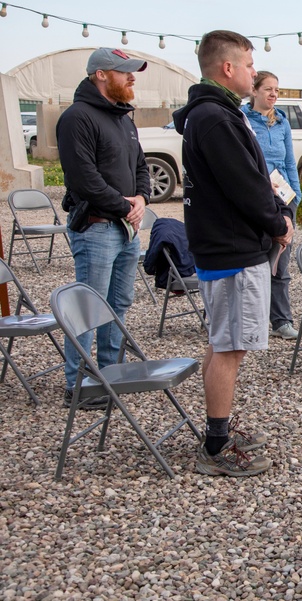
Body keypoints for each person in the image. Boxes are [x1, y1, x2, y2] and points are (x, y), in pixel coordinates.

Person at [173, 30, 294, 477]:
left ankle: (216, 428)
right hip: (232, 248)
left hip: (225, 246)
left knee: (222, 341)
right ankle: (216, 445)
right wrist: (277, 221)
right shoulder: (216, 118)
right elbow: (244, 184)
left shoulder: (215, 113)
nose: (253, 71)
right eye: (248, 64)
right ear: (227, 68)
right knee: (229, 347)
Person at [56, 47, 151, 410]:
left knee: (118, 304)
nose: (131, 78)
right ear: (100, 75)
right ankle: (78, 384)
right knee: (86, 309)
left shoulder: (124, 117)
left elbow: (140, 165)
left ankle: (110, 375)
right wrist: (125, 206)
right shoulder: (77, 117)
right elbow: (83, 180)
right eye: (124, 72)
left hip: (125, 228)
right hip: (96, 228)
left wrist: (141, 198)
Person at [242, 71, 302, 341]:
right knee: (249, 264)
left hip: (283, 199)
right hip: (254, 197)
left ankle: (281, 320)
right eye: (268, 89)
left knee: (280, 265)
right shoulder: (242, 120)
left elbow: (290, 163)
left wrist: (295, 198)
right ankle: (245, 321)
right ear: (254, 91)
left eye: (276, 90)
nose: (273, 94)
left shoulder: (282, 123)